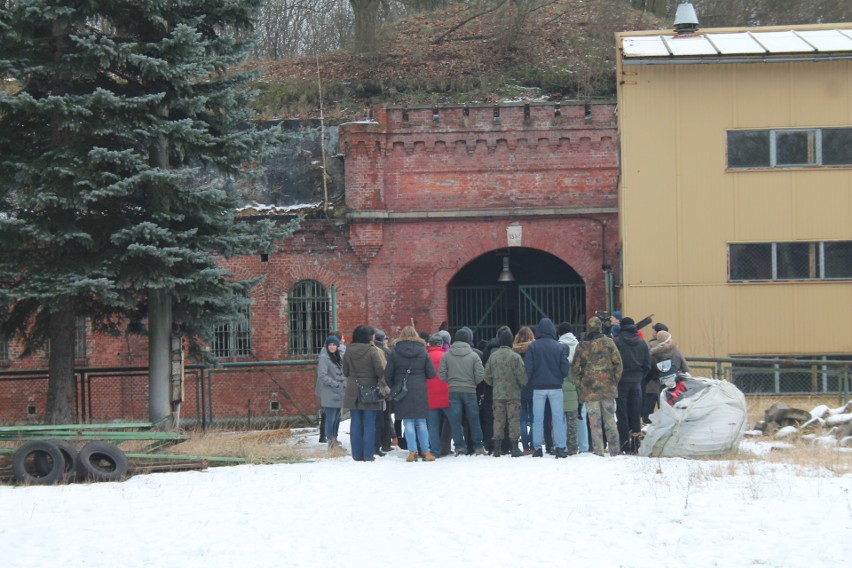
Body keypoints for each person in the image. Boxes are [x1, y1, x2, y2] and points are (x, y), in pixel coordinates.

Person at [572, 316, 623, 457]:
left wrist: (580, 386)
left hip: (590, 391)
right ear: (600, 327)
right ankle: (615, 450)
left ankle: (598, 450)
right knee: (610, 419)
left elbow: (575, 369)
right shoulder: (609, 343)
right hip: (608, 389)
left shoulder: (582, 346)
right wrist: (614, 382)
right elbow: (618, 364)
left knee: (594, 422)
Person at [385, 326, 436, 462]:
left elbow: (388, 375)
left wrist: (396, 387)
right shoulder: (423, 352)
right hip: (419, 389)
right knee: (421, 422)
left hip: (403, 390)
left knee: (407, 422)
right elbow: (431, 373)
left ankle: (412, 452)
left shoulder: (395, 352)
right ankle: (426, 451)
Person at [524, 318, 569, 459]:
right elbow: (565, 369)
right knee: (557, 418)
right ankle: (561, 447)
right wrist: (559, 377)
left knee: (537, 418)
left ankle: (537, 448)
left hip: (538, 388)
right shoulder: (560, 347)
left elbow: (528, 369)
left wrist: (532, 380)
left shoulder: (533, 347)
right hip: (556, 387)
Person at [342, 325, 388, 462]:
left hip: (352, 390)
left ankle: (357, 454)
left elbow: (345, 371)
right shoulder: (372, 351)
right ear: (368, 337)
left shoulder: (348, 351)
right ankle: (368, 454)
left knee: (355, 423)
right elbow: (380, 371)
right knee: (369, 423)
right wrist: (386, 385)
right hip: (370, 390)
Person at [438, 327, 486, 456]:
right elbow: (481, 374)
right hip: (470, 390)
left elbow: (441, 373)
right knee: (473, 419)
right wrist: (473, 383)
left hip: (453, 390)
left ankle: (459, 447)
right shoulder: (474, 355)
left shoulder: (447, 355)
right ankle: (478, 446)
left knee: (455, 420)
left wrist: (450, 382)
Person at [483, 328, 527, 457]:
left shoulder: (493, 356)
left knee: (498, 420)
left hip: (498, 394)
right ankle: (514, 448)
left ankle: (497, 448)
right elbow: (522, 377)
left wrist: (495, 385)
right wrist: (520, 386)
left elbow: (486, 376)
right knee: (513, 420)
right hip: (513, 394)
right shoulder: (515, 357)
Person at [614, 316, 651, 454]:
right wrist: (640, 377)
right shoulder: (642, 343)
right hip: (636, 382)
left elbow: (614, 363)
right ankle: (636, 445)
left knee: (622, 413)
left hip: (621, 382)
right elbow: (647, 365)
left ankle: (624, 445)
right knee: (636, 413)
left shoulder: (617, 342)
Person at [647, 330, 690, 418]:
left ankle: (665, 419)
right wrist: (686, 373)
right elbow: (684, 365)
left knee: (663, 402)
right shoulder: (675, 349)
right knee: (676, 401)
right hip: (676, 380)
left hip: (661, 381)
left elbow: (652, 368)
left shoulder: (654, 354)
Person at [317, 335, 346, 451]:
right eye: (330, 345)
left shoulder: (339, 356)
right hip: (330, 392)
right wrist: (335, 383)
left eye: (334, 344)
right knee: (330, 418)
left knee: (337, 417)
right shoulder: (324, 357)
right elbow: (322, 375)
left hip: (340, 391)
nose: (332, 347)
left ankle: (335, 438)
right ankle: (330, 441)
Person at [425, 334, 452, 458]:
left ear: (429, 344)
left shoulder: (425, 356)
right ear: (441, 344)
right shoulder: (446, 356)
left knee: (432, 426)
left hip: (429, 395)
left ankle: (435, 450)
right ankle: (457, 446)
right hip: (446, 394)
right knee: (453, 421)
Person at [557, 322, 580, 455]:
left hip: (559, 393)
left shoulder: (557, 347)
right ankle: (575, 446)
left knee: (559, 421)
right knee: (573, 423)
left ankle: (559, 445)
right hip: (573, 395)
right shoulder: (579, 345)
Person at [513, 326, 536, 454]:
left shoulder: (514, 351)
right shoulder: (534, 349)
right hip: (532, 386)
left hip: (519, 388)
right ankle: (532, 444)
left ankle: (525, 445)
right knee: (533, 417)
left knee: (522, 418)